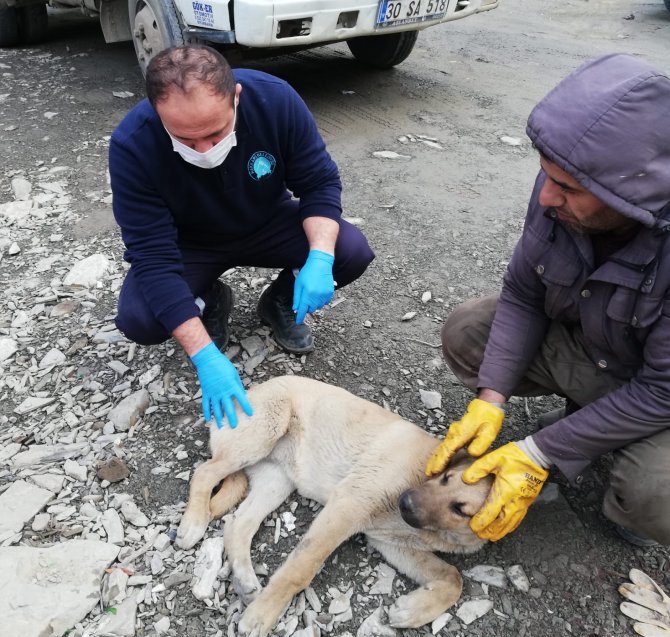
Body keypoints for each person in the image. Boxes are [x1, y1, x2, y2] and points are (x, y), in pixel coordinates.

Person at [425, 53, 670, 548]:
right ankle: (590, 423)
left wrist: (538, 451)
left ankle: (629, 490)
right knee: (469, 332)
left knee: (654, 496)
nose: (545, 199)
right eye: (547, 177)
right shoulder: (565, 191)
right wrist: (491, 398)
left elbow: (662, 392)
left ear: (630, 199)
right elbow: (522, 291)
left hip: (663, 392)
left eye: (566, 188)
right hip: (612, 355)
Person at [109, 47, 374, 429]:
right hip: (191, 242)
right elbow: (152, 256)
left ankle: (280, 301)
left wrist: (318, 256)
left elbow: (318, 183)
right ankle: (210, 299)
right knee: (141, 319)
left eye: (215, 133)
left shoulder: (275, 99)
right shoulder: (132, 145)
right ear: (156, 112)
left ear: (235, 97)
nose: (204, 150)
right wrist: (204, 357)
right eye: (185, 139)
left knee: (348, 251)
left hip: (266, 220)